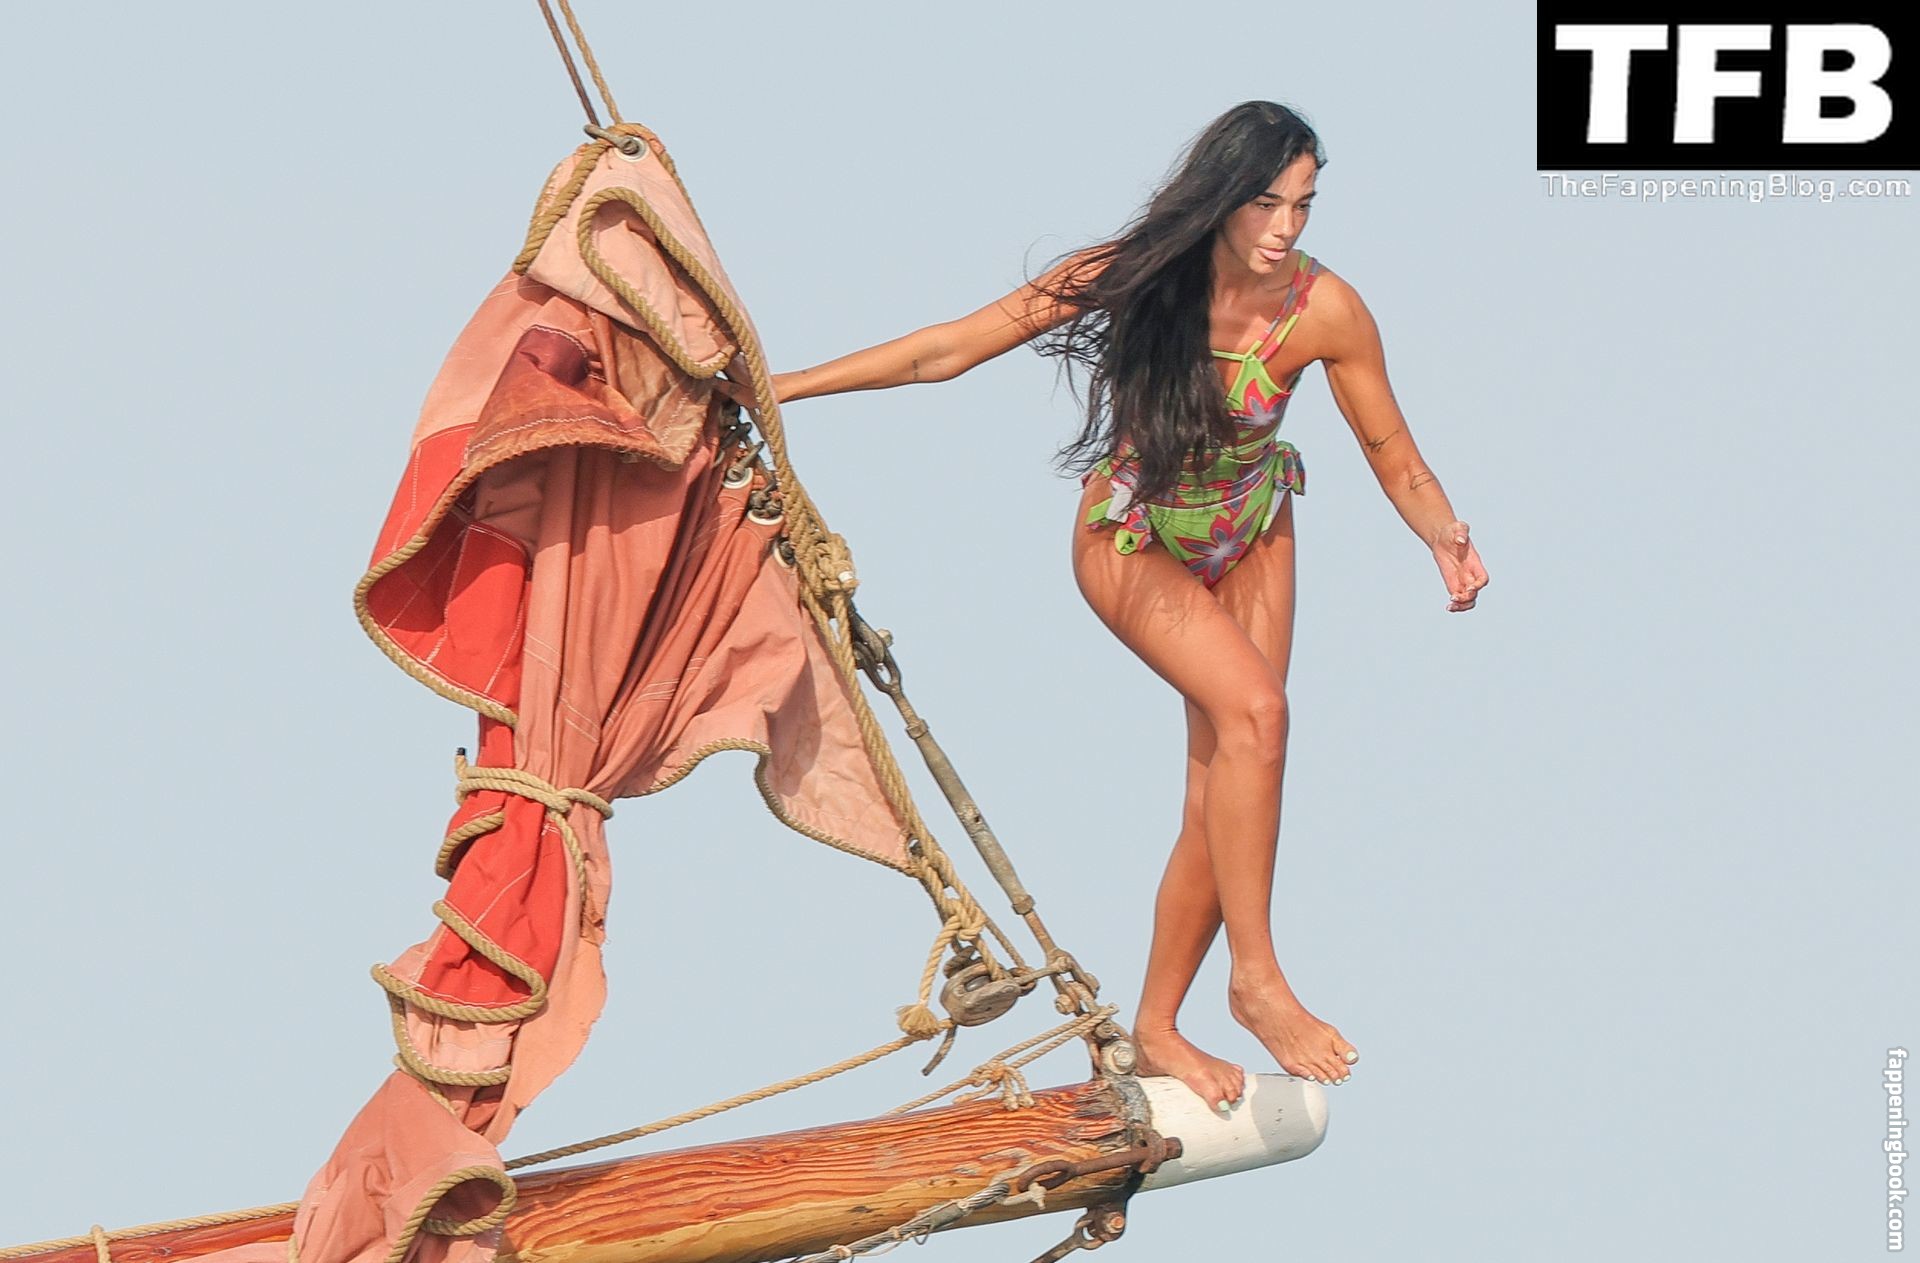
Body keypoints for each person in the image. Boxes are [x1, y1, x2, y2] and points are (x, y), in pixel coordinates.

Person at [717, 101, 1489, 1112]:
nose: (1285, 227)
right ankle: (1256, 980)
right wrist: (779, 388)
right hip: (1134, 538)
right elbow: (945, 350)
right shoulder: (1134, 273)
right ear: (1220, 195)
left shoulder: (1326, 309)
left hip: (1252, 528)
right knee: (1259, 713)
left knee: (1230, 777)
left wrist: (1443, 535)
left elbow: (1396, 453)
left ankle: (1158, 1027)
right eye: (1265, 203)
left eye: (1303, 205)